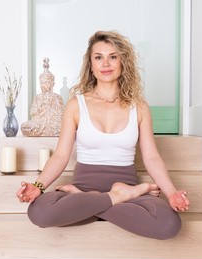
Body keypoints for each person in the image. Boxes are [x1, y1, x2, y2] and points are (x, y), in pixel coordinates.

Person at [16, 30, 190, 240]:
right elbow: (61, 156)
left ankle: (91, 200)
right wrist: (38, 186)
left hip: (112, 190)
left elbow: (152, 157)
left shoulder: (139, 107)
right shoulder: (76, 105)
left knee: (168, 224)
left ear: (123, 62)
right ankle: (114, 196)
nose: (106, 64)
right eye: (99, 57)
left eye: (113, 57)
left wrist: (171, 192)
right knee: (39, 211)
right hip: (104, 191)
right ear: (91, 64)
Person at [21, 57, 64, 137]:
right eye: (42, 83)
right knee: (25, 126)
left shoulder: (57, 97)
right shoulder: (38, 97)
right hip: (39, 123)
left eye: (46, 82)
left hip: (53, 124)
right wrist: (39, 111)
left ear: (52, 84)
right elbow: (33, 113)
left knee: (62, 126)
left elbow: (61, 115)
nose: (44, 85)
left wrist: (49, 115)